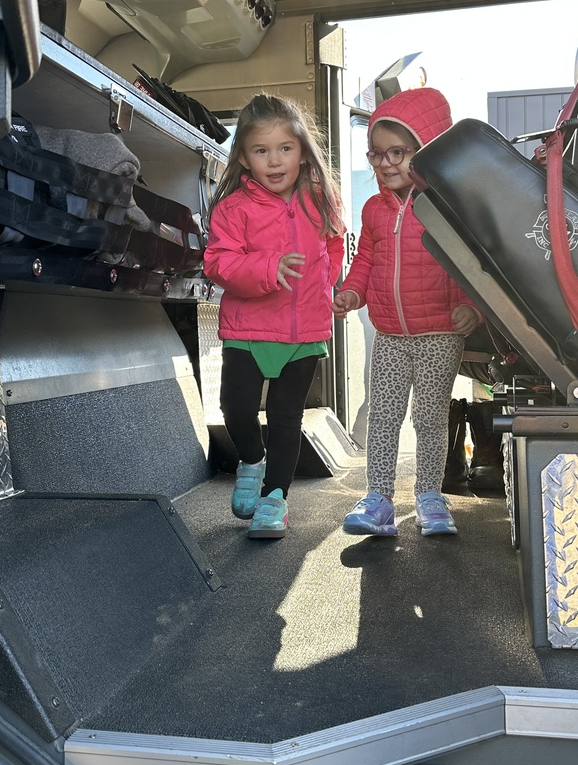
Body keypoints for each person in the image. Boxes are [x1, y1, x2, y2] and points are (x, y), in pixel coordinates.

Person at [333, 87, 481, 537]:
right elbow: (365, 260)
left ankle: (430, 497)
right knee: (384, 414)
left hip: (440, 330)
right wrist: (352, 292)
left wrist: (473, 307)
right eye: (376, 154)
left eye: (398, 152)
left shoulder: (447, 207)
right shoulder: (374, 210)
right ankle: (378, 498)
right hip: (391, 334)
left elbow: (473, 264)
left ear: (427, 150)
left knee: (430, 416)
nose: (385, 163)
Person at [203, 93, 345, 539]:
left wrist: (328, 285)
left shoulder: (321, 199)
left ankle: (275, 499)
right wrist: (269, 269)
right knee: (236, 409)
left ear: (302, 150)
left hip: (304, 331)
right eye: (261, 151)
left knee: (287, 419)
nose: (275, 160)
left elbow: (335, 244)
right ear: (244, 159)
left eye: (285, 148)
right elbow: (218, 263)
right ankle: (250, 458)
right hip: (247, 329)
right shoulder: (233, 208)